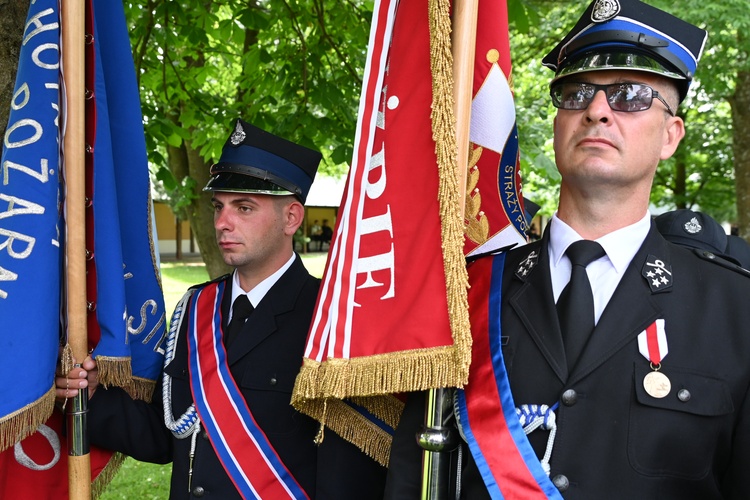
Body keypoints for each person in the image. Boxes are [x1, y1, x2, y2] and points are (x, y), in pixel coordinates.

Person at [385, 0, 750, 498]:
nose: (597, 110)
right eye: (576, 93)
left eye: (630, 95)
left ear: (671, 136)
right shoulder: (465, 290)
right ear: (558, 123)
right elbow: (413, 471)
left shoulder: (734, 307)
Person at [57, 119, 386, 499]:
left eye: (244, 208)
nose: (223, 223)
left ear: (291, 218)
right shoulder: (195, 309)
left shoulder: (330, 321)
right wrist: (94, 397)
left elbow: (349, 474)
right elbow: (170, 436)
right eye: (219, 207)